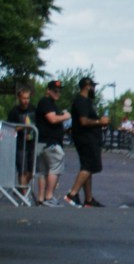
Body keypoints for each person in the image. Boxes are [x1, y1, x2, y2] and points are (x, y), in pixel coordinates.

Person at [64, 77, 111, 207]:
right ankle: (72, 194)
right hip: (86, 139)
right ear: (87, 86)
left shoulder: (86, 102)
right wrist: (99, 122)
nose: (94, 89)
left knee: (88, 168)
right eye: (93, 87)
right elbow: (83, 121)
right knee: (88, 166)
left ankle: (88, 199)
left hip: (88, 138)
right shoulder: (81, 102)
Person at [34, 80, 72, 206]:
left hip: (43, 142)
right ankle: (49, 196)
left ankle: (41, 198)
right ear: (48, 90)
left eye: (59, 91)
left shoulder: (48, 103)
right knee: (55, 168)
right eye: (55, 90)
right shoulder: (46, 102)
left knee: (43, 170)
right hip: (50, 142)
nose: (58, 93)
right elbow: (52, 118)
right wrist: (65, 116)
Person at [6, 85, 38, 199]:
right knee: (22, 170)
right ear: (19, 98)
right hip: (20, 144)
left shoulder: (33, 109)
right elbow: (9, 128)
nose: (26, 101)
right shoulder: (14, 112)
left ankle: (21, 187)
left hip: (32, 143)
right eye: (24, 98)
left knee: (31, 171)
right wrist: (23, 127)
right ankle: (23, 194)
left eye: (28, 98)